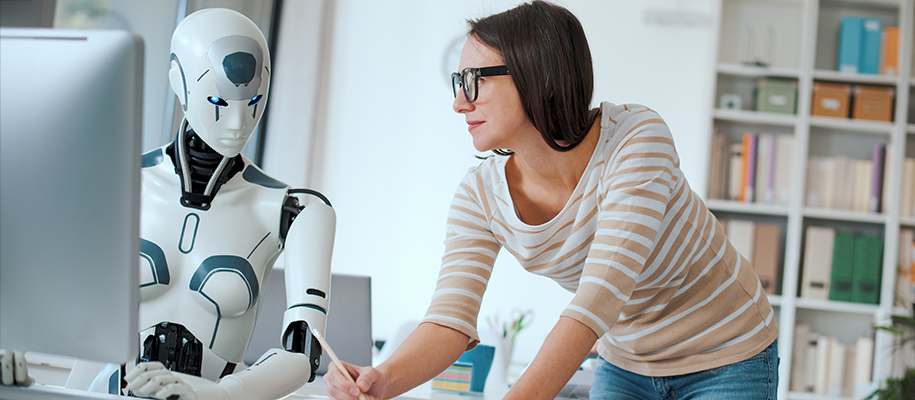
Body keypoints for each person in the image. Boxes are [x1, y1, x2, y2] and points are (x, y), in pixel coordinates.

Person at [323, 2, 778, 400]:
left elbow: (599, 296)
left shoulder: (637, 141)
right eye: (456, 81)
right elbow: (449, 320)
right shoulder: (480, 196)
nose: (459, 103)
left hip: (728, 352)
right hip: (627, 361)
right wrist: (383, 379)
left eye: (474, 80)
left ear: (538, 76)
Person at [119, 8, 336, 400]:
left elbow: (304, 353)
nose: (239, 121)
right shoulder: (117, 182)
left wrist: (218, 394)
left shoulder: (296, 210)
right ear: (178, 83)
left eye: (254, 100)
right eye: (219, 100)